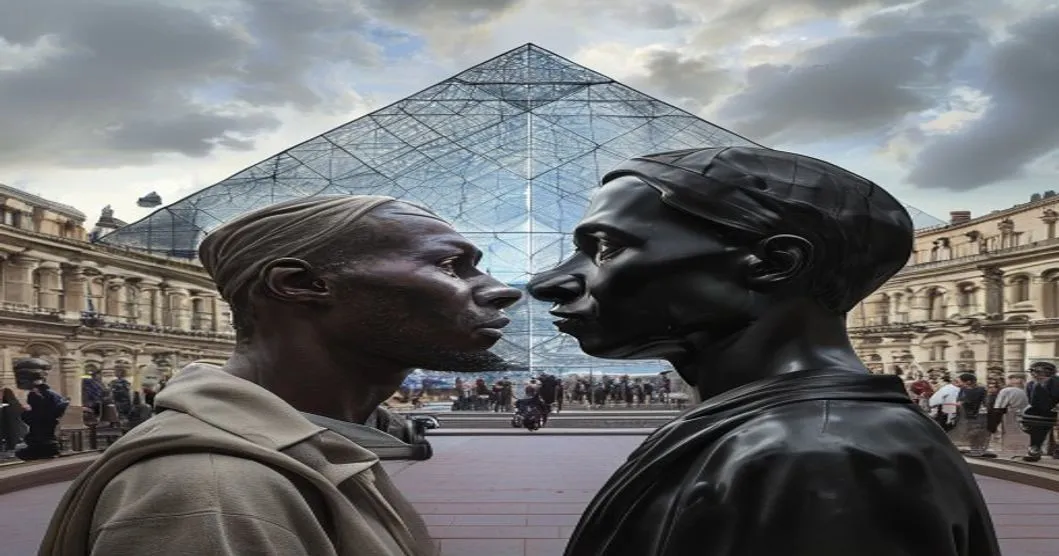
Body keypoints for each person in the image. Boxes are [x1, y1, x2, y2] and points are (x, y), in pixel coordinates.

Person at [526, 146, 999, 556]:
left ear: (776, 264)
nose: (547, 284)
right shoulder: (797, 434)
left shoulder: (820, 456)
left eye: (606, 248)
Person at [40, 195, 521, 556]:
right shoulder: (211, 494)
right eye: (450, 265)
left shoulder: (315, 448)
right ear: (298, 285)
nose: (502, 291)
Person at [14, 358, 69, 461]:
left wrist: (24, 413)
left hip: (42, 442)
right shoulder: (48, 393)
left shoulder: (38, 394)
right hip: (46, 439)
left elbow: (39, 418)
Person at [1022, 361, 1059, 462]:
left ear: (1048, 372)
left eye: (1037, 371)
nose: (1034, 374)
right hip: (1038, 413)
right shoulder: (1031, 384)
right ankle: (1035, 450)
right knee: (1037, 432)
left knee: (1055, 434)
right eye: (1032, 371)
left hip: (1054, 412)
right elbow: (1031, 401)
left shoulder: (1056, 381)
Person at [957, 373, 992, 457]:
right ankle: (976, 449)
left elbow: (985, 402)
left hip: (977, 414)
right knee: (973, 432)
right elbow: (960, 400)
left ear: (968, 382)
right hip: (970, 414)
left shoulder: (980, 390)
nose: (959, 383)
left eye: (960, 381)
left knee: (977, 432)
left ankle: (978, 449)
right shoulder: (963, 390)